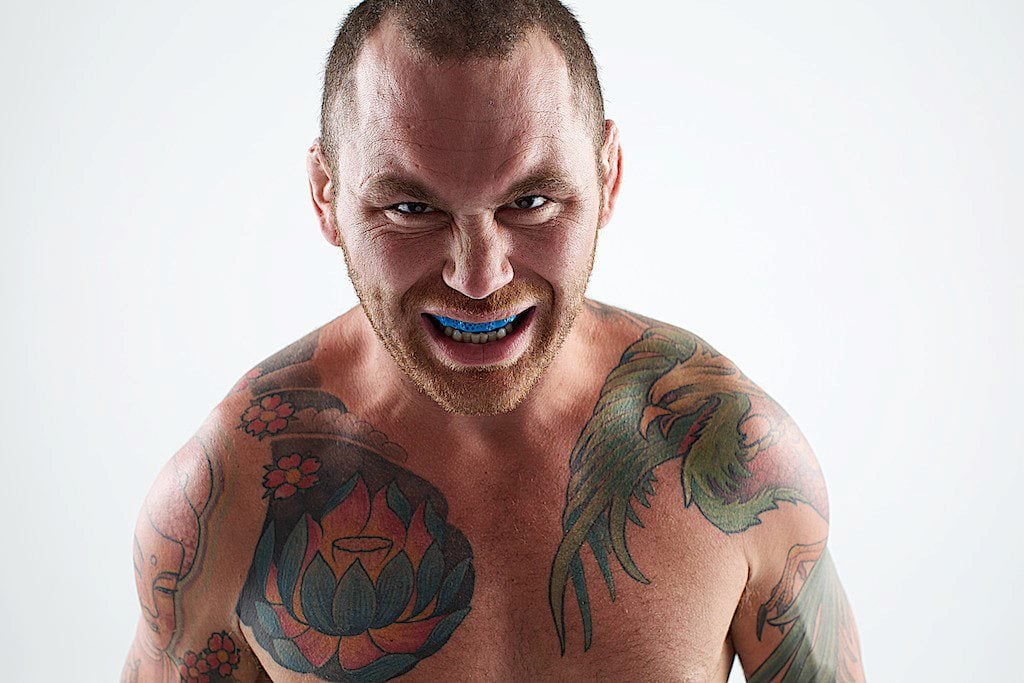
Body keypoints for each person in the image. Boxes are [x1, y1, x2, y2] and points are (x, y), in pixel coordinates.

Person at [123, 1, 865, 681]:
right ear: (327, 195)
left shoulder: (735, 458)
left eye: (532, 201)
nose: (479, 278)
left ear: (608, 176)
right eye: (411, 208)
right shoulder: (226, 501)